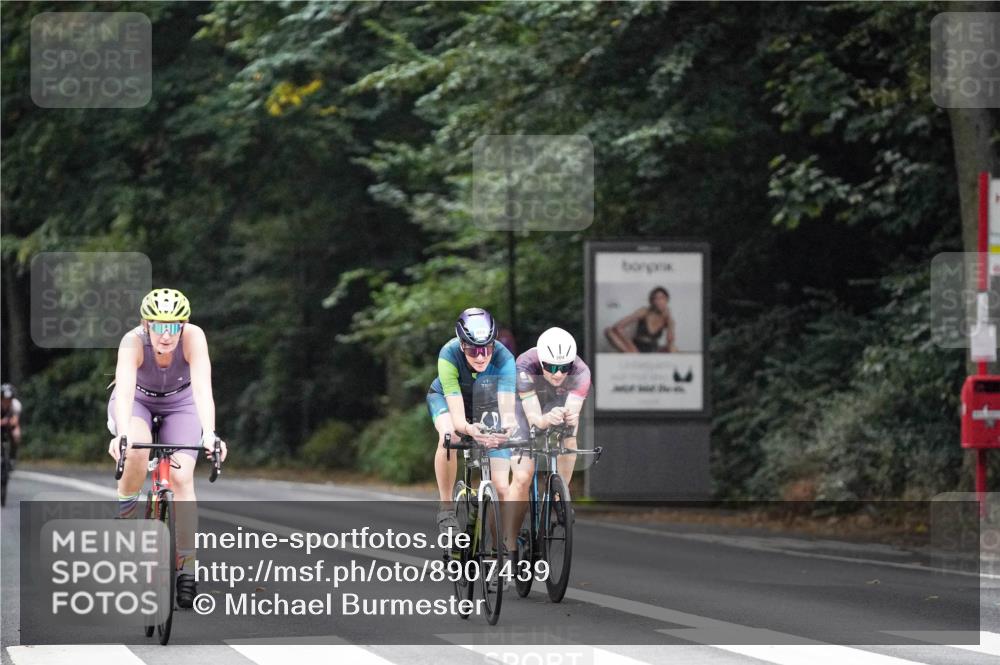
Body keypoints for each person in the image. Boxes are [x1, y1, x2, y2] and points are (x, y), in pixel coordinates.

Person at [106, 288, 228, 609]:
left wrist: (210, 434)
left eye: (173, 326)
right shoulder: (132, 342)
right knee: (135, 450)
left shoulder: (194, 338)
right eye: (158, 326)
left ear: (183, 324)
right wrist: (121, 434)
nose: (166, 334)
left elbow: (203, 388)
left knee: (182, 477)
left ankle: (187, 566)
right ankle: (126, 515)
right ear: (145, 325)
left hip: (182, 403)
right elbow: (126, 387)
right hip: (137, 402)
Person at [428, 307, 517, 536]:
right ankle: (446, 508)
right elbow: (458, 417)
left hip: (487, 403)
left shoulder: (505, 357)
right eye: (472, 350)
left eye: (486, 349)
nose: (481, 356)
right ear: (461, 344)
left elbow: (507, 408)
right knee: (450, 435)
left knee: (502, 485)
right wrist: (469, 428)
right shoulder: (448, 354)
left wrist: (507, 426)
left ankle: (501, 555)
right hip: (449, 400)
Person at [508, 327, 591, 551]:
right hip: (524, 405)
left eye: (563, 368)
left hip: (556, 399)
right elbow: (534, 417)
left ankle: (559, 494)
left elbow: (572, 412)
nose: (557, 373)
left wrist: (567, 418)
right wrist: (545, 420)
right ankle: (509, 543)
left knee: (569, 435)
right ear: (541, 361)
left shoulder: (581, 371)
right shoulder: (524, 363)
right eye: (550, 367)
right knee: (523, 477)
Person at [605, 286, 677, 353]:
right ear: (652, 301)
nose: (658, 301)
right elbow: (618, 327)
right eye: (655, 298)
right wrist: (631, 345)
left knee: (673, 348)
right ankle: (634, 354)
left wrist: (669, 318)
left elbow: (670, 342)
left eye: (662, 298)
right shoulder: (644, 311)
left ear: (667, 300)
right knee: (608, 331)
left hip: (653, 348)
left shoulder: (669, 319)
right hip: (636, 347)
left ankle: (634, 355)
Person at [1, 383, 23, 462]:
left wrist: (7, 422)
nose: (6, 401)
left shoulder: (16, 404)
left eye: (9, 399)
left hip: (10, 425)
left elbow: (15, 421)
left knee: (17, 435)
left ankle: (12, 457)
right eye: (4, 399)